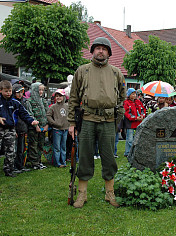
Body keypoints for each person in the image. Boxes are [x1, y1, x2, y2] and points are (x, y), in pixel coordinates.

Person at [68, 37, 126, 208]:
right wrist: (72, 122)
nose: (101, 51)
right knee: (85, 157)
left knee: (109, 158)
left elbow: (122, 98)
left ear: (109, 53)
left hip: (108, 121)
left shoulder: (116, 73)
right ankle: (82, 195)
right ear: (92, 51)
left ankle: (110, 193)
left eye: (104, 49)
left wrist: (118, 118)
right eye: (97, 48)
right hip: (87, 120)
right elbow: (73, 99)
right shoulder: (82, 71)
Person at [0, 80, 38, 177]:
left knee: (11, 151)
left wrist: (31, 121)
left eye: (10, 91)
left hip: (11, 129)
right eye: (6, 91)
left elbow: (24, 113)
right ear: (1, 91)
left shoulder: (15, 102)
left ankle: (8, 170)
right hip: (0, 128)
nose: (8, 93)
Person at [26, 82, 49, 170]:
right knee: (33, 145)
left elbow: (48, 113)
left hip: (43, 127)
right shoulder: (29, 101)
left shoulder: (43, 101)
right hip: (34, 128)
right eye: (39, 90)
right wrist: (36, 126)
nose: (41, 92)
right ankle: (34, 162)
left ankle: (39, 161)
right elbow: (30, 114)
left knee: (40, 145)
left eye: (42, 90)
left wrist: (47, 125)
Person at [46, 89, 70, 168]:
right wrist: (54, 123)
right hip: (56, 130)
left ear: (63, 97)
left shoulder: (67, 106)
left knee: (63, 147)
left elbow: (70, 115)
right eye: (57, 96)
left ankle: (63, 162)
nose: (58, 97)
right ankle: (57, 163)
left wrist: (69, 124)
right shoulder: (53, 107)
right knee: (57, 147)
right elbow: (48, 115)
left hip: (65, 129)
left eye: (60, 96)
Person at [12, 84, 31, 173]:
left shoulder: (24, 102)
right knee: (14, 150)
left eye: (21, 92)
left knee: (21, 149)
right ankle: (13, 167)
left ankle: (20, 166)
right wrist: (14, 130)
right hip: (14, 130)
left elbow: (26, 116)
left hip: (23, 129)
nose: (20, 94)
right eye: (18, 92)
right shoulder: (12, 102)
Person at [123, 88, 146, 157]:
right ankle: (128, 152)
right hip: (130, 123)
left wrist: (142, 116)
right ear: (129, 95)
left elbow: (143, 109)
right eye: (133, 94)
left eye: (135, 94)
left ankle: (135, 151)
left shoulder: (138, 102)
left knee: (138, 138)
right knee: (129, 139)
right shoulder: (126, 103)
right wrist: (135, 118)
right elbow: (127, 113)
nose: (134, 95)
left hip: (138, 123)